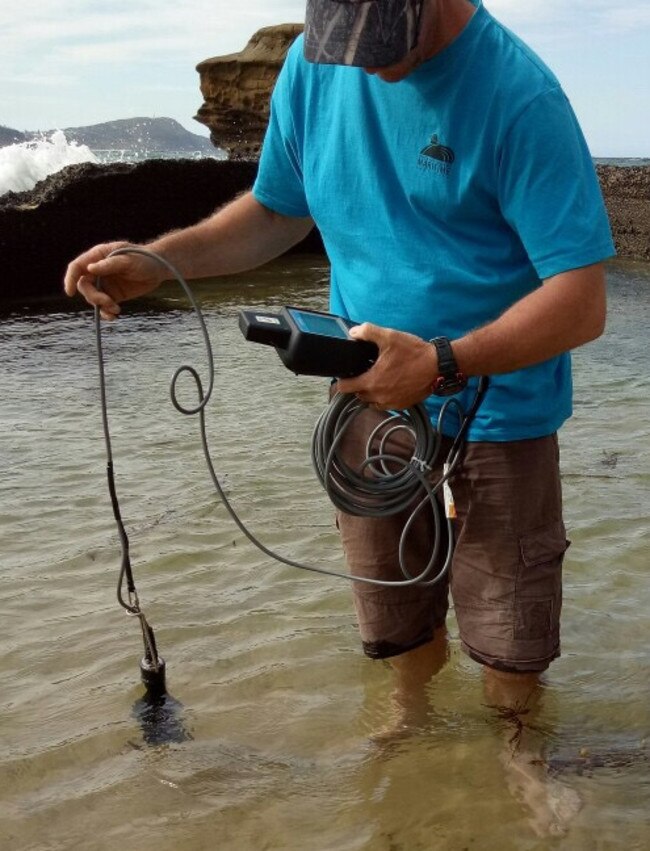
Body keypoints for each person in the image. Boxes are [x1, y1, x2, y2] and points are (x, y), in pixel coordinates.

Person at [65, 0, 613, 831]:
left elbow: (581, 301)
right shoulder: (319, 62)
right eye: (346, 46)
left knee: (510, 632)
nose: (363, 66)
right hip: (362, 402)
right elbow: (277, 211)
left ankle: (517, 751)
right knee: (391, 612)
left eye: (384, 47)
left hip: (497, 410)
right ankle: (409, 723)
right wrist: (159, 262)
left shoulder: (520, 97)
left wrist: (440, 362)